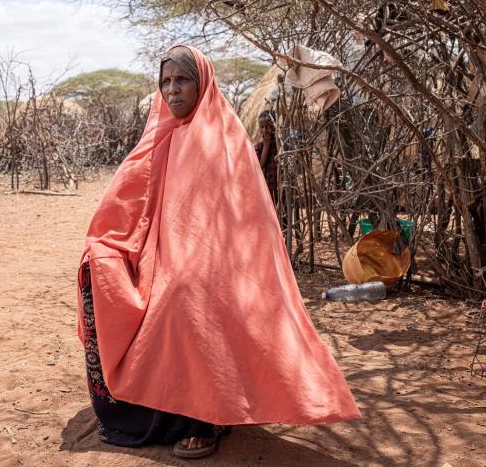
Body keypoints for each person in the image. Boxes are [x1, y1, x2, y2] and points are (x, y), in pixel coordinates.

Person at [77, 45, 361, 459]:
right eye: (166, 82)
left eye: (182, 80)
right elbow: (127, 206)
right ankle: (145, 411)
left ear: (202, 82)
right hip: (158, 254)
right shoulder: (159, 134)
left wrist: (184, 266)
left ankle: (202, 418)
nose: (172, 90)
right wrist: (112, 247)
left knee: (185, 298)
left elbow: (235, 226)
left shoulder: (222, 137)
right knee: (96, 270)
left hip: (220, 264)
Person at [254, 110, 279, 204]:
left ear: (275, 126)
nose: (265, 130)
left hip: (281, 191)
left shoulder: (280, 146)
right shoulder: (258, 147)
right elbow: (260, 166)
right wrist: (266, 145)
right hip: (266, 191)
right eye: (262, 127)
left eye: (268, 126)